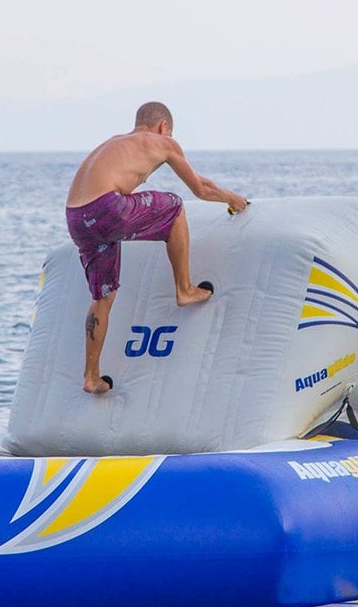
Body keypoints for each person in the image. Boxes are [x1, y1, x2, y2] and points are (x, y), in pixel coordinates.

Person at [65, 101, 248, 395]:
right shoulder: (162, 142)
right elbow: (200, 188)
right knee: (173, 206)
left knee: (103, 296)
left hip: (77, 217)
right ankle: (184, 289)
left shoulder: (114, 143)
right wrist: (232, 199)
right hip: (106, 208)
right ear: (164, 127)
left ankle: (91, 377)